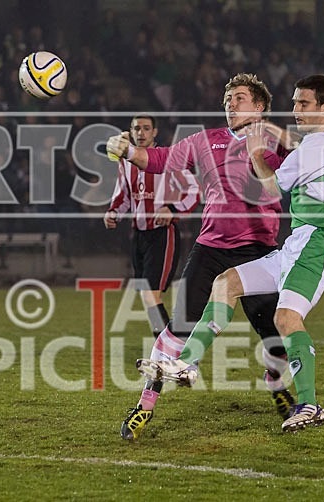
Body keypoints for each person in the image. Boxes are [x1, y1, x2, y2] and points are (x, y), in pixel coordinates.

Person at [135, 74, 324, 433]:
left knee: (284, 322)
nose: (296, 109)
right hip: (293, 241)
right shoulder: (315, 140)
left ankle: (308, 404)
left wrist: (255, 152)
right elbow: (291, 145)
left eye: (304, 103)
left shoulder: (319, 146)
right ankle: (186, 364)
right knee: (226, 284)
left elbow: (272, 186)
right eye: (295, 102)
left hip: (318, 239)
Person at [107, 73, 295, 441]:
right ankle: (144, 406)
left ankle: (276, 383)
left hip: (258, 251)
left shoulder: (274, 142)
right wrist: (128, 151)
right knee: (178, 327)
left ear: (259, 106)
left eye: (239, 98)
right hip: (211, 249)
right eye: (227, 99)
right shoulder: (206, 140)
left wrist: (270, 134)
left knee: (276, 336)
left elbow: (303, 157)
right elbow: (161, 158)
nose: (230, 104)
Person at [104, 115, 199, 338]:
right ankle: (172, 343)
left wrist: (173, 210)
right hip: (139, 235)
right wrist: (113, 213)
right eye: (137, 128)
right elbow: (123, 195)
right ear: (131, 131)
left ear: (154, 132)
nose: (141, 133)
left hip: (162, 234)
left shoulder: (168, 158)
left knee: (150, 295)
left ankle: (168, 347)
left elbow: (194, 191)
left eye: (146, 128)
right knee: (147, 296)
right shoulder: (126, 162)